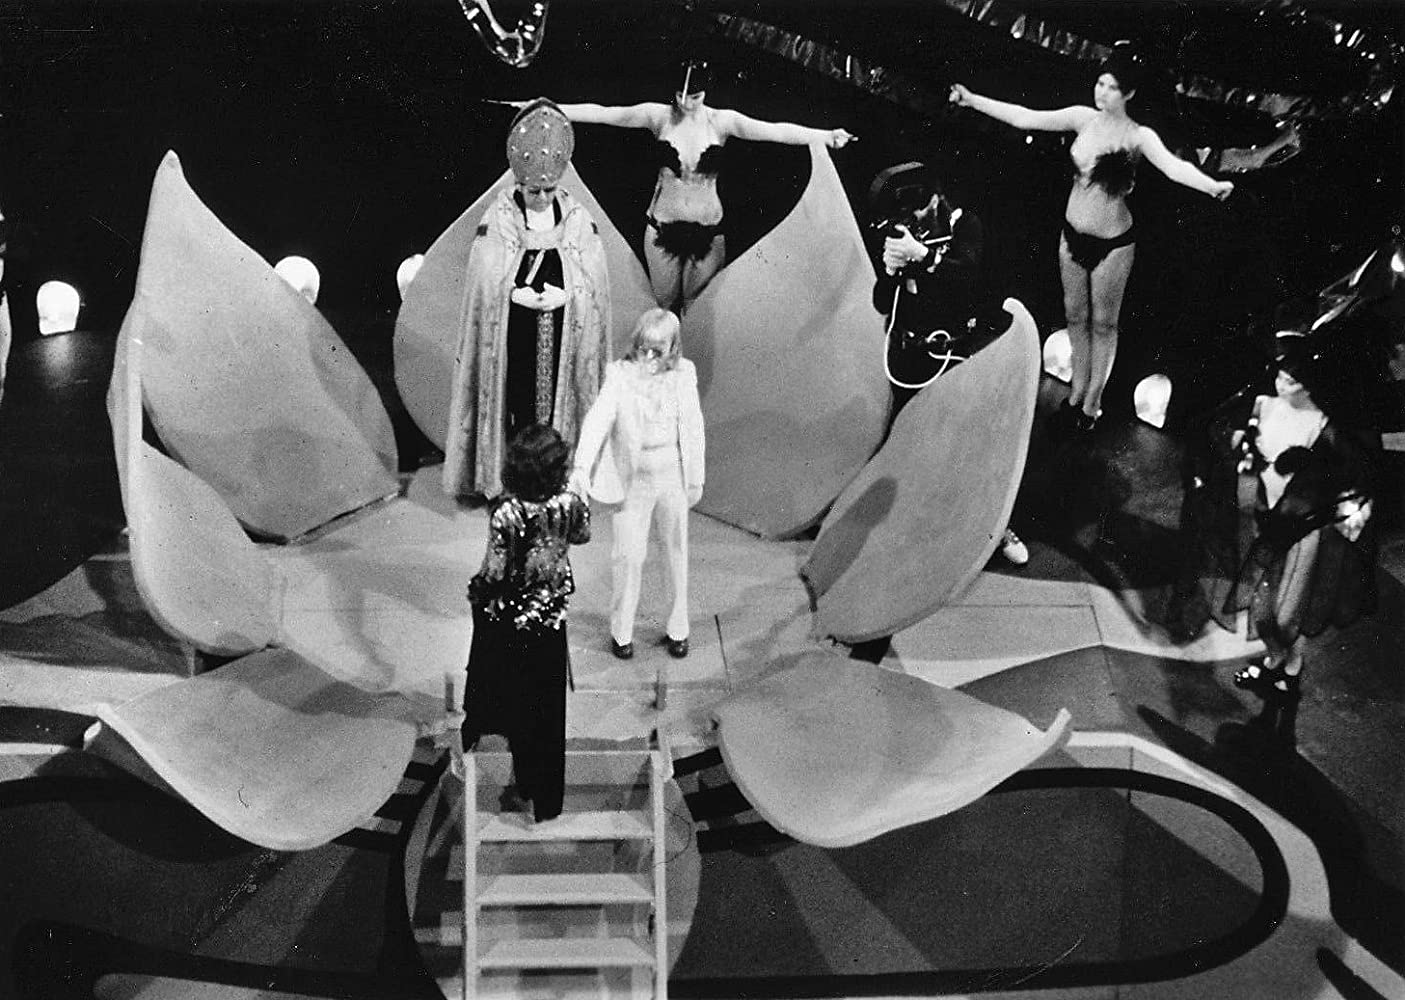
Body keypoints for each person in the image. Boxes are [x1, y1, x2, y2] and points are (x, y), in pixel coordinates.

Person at [950, 43, 1234, 430]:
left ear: (1129, 93)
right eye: (1100, 83)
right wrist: (972, 100)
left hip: (1113, 244)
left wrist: (1211, 186)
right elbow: (1023, 117)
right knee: (1074, 316)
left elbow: (1174, 168)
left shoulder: (1139, 136)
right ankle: (1076, 395)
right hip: (1071, 235)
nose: (1102, 92)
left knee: (1103, 324)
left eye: (1112, 87)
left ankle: (1091, 405)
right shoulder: (1082, 118)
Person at [1170, 331, 1378, 745]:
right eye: (1281, 376)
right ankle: (1280, 668)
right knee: (1262, 611)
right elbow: (1224, 438)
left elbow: (1357, 477)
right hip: (1263, 523)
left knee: (1286, 616)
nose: (1285, 384)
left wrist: (1335, 491)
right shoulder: (1262, 406)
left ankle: (1285, 672)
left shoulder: (1324, 425)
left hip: (1302, 531)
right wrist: (1242, 448)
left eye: (1295, 380)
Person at [554, 60, 855, 311]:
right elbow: (604, 113)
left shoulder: (721, 122)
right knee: (663, 303)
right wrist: (551, 108)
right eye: (681, 96)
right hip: (661, 227)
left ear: (705, 92)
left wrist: (825, 136)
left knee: (695, 307)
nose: (686, 103)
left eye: (694, 97)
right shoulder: (659, 117)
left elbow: (774, 131)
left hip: (708, 232)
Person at [443, 97, 611, 502]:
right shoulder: (499, 216)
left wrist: (566, 296)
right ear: (519, 184)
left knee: (553, 408)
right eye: (534, 190)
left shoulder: (576, 217)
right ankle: (514, 481)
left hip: (562, 332)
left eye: (549, 189)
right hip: (513, 334)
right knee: (516, 404)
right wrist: (513, 294)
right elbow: (487, 275)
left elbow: (592, 278)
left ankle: (555, 478)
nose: (542, 198)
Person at [867, 162, 1028, 568]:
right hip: (908, 355)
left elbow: (966, 275)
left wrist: (922, 256)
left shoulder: (963, 227)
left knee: (966, 447)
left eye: (921, 210)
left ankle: (994, 527)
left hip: (950, 355)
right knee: (903, 443)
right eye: (909, 215)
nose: (917, 220)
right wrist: (890, 271)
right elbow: (883, 303)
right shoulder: (901, 234)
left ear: (936, 199)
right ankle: (899, 525)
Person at [462, 423, 591, 824]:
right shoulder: (571, 503)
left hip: (513, 622)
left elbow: (494, 571)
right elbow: (582, 536)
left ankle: (518, 776)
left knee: (517, 704)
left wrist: (476, 592)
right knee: (548, 711)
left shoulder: (506, 513)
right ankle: (546, 799)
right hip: (552, 619)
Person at [571, 307, 705, 660]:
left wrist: (696, 479)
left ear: (673, 348)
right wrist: (581, 468)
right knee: (628, 557)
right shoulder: (620, 375)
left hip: (672, 474)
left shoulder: (684, 374)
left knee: (676, 553)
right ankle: (621, 632)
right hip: (633, 480)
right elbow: (598, 420)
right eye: (644, 348)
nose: (649, 357)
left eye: (658, 350)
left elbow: (694, 428)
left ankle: (678, 629)